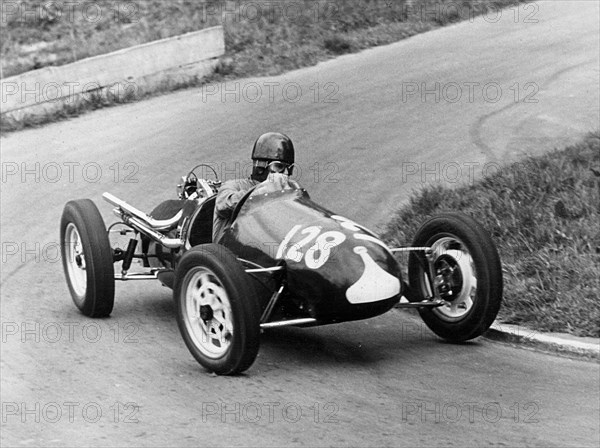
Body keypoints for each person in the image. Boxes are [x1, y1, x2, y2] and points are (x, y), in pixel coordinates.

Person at [212, 132, 295, 243]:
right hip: (230, 254)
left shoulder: (285, 193)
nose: (285, 173)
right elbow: (224, 206)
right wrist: (267, 191)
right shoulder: (232, 186)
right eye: (279, 166)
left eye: (290, 168)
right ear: (261, 166)